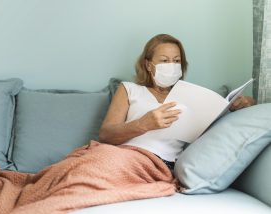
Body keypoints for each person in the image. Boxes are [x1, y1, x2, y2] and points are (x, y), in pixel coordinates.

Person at [99, 33, 255, 173]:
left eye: (176, 61)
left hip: (159, 164)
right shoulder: (128, 89)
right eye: (165, 61)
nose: (171, 65)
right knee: (88, 166)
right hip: (122, 155)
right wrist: (143, 124)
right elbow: (106, 135)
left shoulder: (192, 96)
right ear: (148, 65)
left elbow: (228, 111)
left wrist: (243, 103)